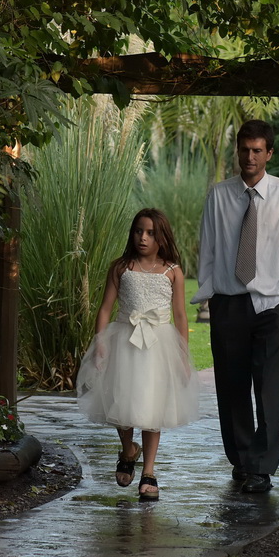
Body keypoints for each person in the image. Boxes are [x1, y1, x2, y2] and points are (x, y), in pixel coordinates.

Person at [192, 119, 279, 493]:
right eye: (245, 149)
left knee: (269, 388)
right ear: (237, 151)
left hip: (271, 305)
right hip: (227, 303)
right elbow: (207, 249)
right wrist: (210, 295)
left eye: (258, 150)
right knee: (232, 386)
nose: (250, 157)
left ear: (269, 153)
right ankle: (242, 459)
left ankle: (262, 467)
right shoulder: (219, 195)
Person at [76, 208, 201, 501]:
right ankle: (128, 449)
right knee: (122, 400)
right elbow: (105, 308)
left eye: (150, 233)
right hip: (124, 341)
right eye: (138, 231)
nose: (143, 238)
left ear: (161, 237)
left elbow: (180, 316)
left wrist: (183, 355)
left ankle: (149, 471)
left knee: (151, 406)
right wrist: (101, 342)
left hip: (158, 346)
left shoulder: (172, 271)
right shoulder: (121, 267)